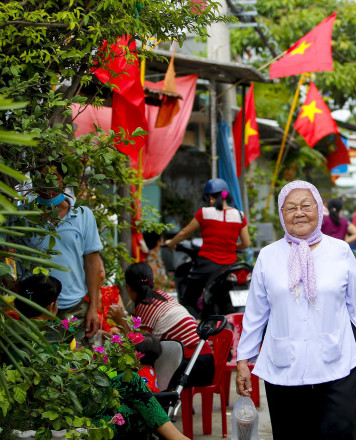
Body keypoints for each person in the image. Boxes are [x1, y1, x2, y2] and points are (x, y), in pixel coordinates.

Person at [235, 180, 356, 440]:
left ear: (319, 209)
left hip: (337, 363)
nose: (299, 213)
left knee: (341, 433)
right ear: (282, 215)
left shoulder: (340, 251)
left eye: (306, 205)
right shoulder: (268, 256)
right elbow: (256, 313)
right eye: (290, 207)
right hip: (284, 368)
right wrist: (243, 361)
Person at [14, 274, 189, 440]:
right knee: (132, 399)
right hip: (69, 408)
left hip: (50, 407)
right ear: (52, 305)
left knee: (129, 395)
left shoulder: (12, 334)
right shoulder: (59, 333)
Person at [107, 262, 215, 390]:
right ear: (151, 282)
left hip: (194, 366)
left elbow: (141, 349)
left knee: (138, 370)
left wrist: (121, 322)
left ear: (128, 287)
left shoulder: (144, 307)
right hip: (206, 361)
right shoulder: (162, 297)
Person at [29, 160, 103, 338]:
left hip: (75, 311)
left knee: (76, 361)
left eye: (53, 179)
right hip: (36, 312)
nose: (47, 186)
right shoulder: (23, 217)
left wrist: (93, 307)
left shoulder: (83, 215)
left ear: (64, 181)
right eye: (41, 179)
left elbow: (92, 262)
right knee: (40, 363)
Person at [165, 178, 250, 318]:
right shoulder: (240, 216)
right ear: (226, 196)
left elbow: (185, 233)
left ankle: (195, 327)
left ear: (209, 197)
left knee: (187, 299)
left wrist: (171, 243)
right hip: (229, 267)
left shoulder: (204, 213)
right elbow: (246, 244)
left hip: (207, 264)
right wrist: (231, 246)